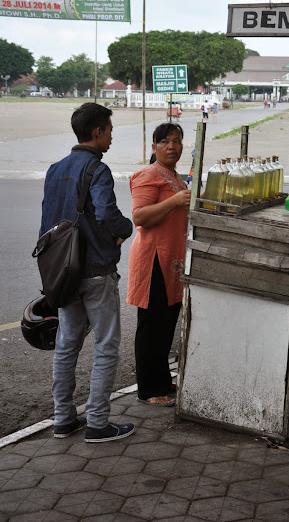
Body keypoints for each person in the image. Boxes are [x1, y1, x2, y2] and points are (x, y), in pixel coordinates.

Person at [40, 103, 134, 443]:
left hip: (64, 271)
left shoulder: (55, 169)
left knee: (67, 344)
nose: (111, 136)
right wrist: (125, 229)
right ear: (97, 132)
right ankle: (97, 422)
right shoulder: (97, 169)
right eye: (109, 130)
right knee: (107, 344)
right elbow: (108, 213)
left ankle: (63, 419)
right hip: (95, 269)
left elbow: (47, 220)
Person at [127, 123, 191, 406]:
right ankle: (149, 390)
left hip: (172, 261)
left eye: (177, 141)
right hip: (153, 260)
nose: (172, 146)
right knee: (151, 326)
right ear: (153, 147)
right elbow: (140, 217)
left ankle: (162, 381)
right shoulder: (148, 175)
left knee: (166, 324)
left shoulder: (175, 177)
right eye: (165, 141)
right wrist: (175, 201)